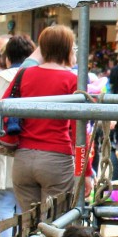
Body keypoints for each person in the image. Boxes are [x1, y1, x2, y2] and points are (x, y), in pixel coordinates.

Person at [12, 25, 83, 211]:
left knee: (29, 227)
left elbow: (4, 106)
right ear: (67, 48)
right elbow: (79, 129)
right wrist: (86, 170)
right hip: (56, 158)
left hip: (23, 158)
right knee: (54, 225)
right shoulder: (72, 80)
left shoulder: (24, 74)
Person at [0, 35, 35, 224]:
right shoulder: (35, 78)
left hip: (2, 150)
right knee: (26, 207)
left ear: (7, 58)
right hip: (29, 149)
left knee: (3, 206)